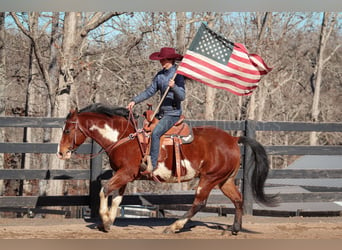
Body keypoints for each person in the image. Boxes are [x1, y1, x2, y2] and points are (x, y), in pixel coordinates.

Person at [127, 47, 185, 176]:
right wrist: (134, 101)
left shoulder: (178, 75)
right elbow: (150, 91)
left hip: (173, 114)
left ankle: (152, 165)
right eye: (161, 60)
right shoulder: (160, 75)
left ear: (170, 60)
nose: (161, 62)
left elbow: (182, 96)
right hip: (161, 113)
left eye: (162, 60)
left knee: (155, 134)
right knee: (142, 129)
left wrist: (174, 87)